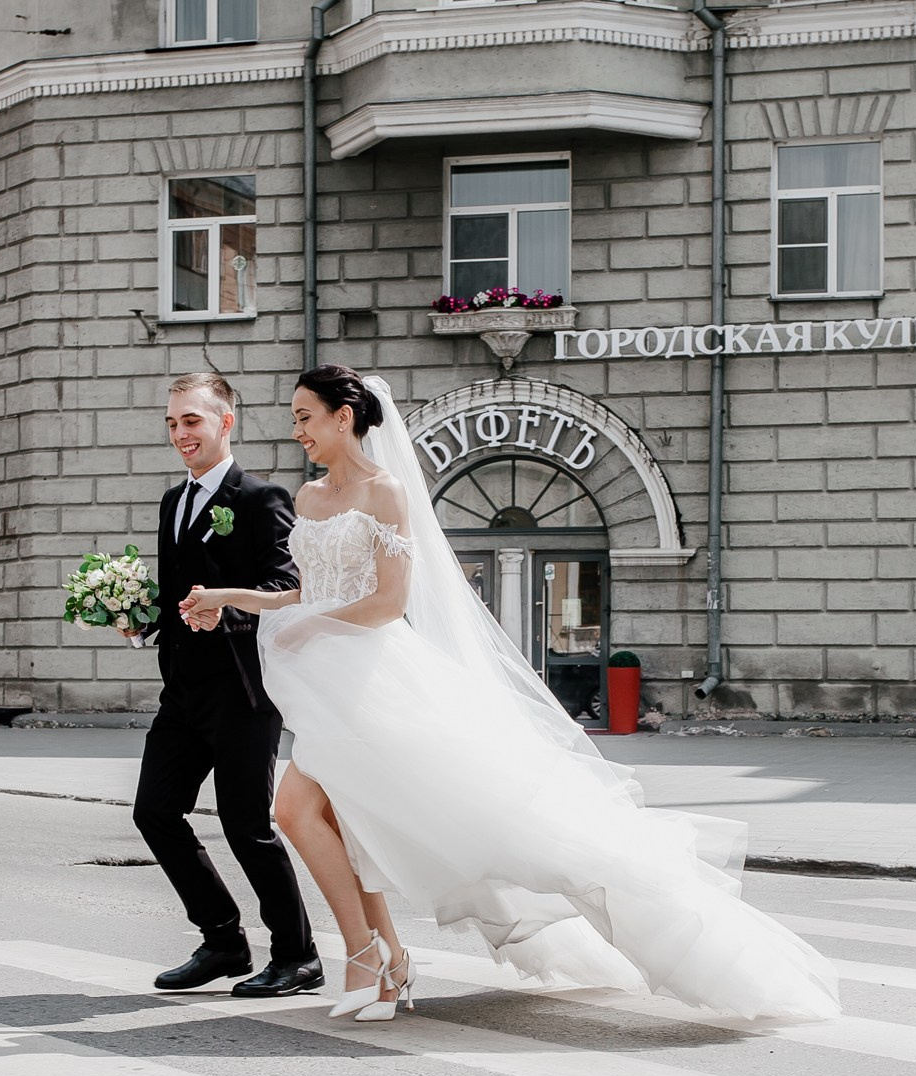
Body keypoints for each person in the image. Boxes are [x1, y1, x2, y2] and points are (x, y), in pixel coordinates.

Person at [179, 366, 840, 1023]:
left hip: (371, 679)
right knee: (346, 824)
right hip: (327, 680)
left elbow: (387, 603)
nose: (296, 431)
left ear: (343, 417)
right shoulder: (310, 497)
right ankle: (387, 961)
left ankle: (369, 956)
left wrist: (311, 626)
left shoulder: (385, 494)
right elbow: (306, 591)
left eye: (305, 417)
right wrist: (227, 599)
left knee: (302, 811)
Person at [124, 372, 323, 998]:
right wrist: (137, 618)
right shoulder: (171, 502)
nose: (181, 434)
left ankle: (299, 955)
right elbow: (176, 592)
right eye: (173, 423)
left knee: (247, 826)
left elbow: (286, 589)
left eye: (192, 421)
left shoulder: (261, 499)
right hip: (182, 690)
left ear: (225, 423)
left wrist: (225, 609)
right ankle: (223, 939)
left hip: (243, 690)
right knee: (154, 812)